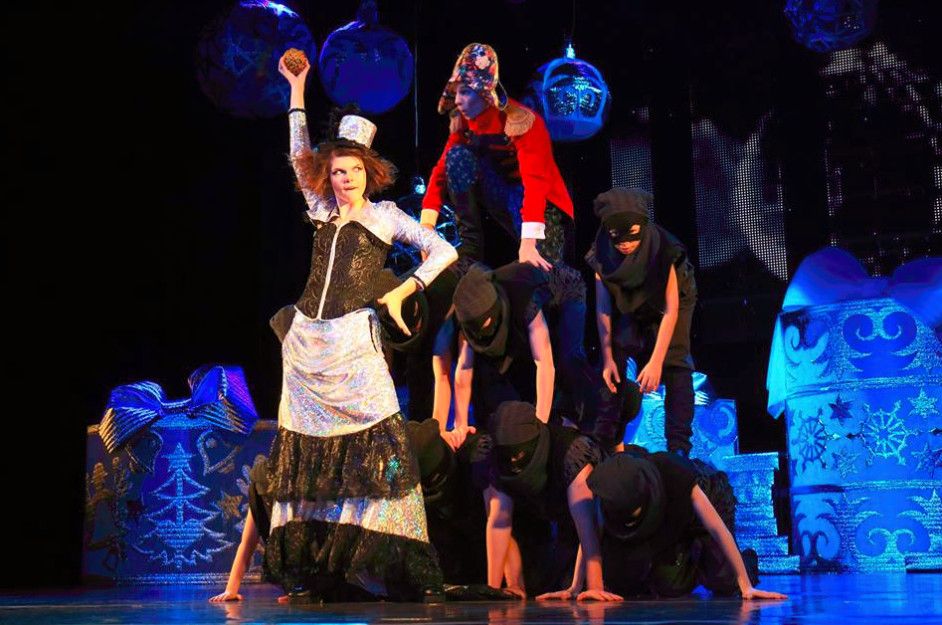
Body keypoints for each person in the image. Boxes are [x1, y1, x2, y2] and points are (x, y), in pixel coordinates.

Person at [264, 51, 457, 603]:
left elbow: (443, 251)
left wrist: (403, 289)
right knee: (308, 456)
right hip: (307, 346)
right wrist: (297, 88)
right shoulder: (321, 208)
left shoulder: (386, 216)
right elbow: (298, 151)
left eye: (352, 170)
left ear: (368, 172)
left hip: (355, 341)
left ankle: (389, 564)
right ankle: (317, 569)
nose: (344, 179)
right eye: (337, 171)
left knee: (379, 440)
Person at [588, 449, 788, 600]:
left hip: (707, 504)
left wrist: (745, 586)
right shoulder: (612, 489)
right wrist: (594, 586)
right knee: (668, 587)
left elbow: (717, 529)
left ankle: (743, 562)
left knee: (725, 581)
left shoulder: (674, 472)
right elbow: (590, 536)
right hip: (665, 522)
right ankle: (687, 557)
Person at [586, 188, 698, 455]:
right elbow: (603, 308)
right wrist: (608, 357)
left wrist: (656, 362)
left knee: (675, 360)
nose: (625, 244)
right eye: (618, 237)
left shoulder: (663, 248)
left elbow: (670, 309)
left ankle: (678, 448)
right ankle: (609, 440)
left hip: (672, 301)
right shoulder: (601, 252)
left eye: (633, 235)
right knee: (614, 359)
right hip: (630, 298)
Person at [482, 401, 622, 601]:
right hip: (550, 516)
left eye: (519, 453)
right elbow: (499, 521)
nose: (513, 461)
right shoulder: (495, 456)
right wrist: (494, 591)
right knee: (546, 581)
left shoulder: (571, 452)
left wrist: (594, 587)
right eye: (508, 455)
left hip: (605, 526)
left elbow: (589, 525)